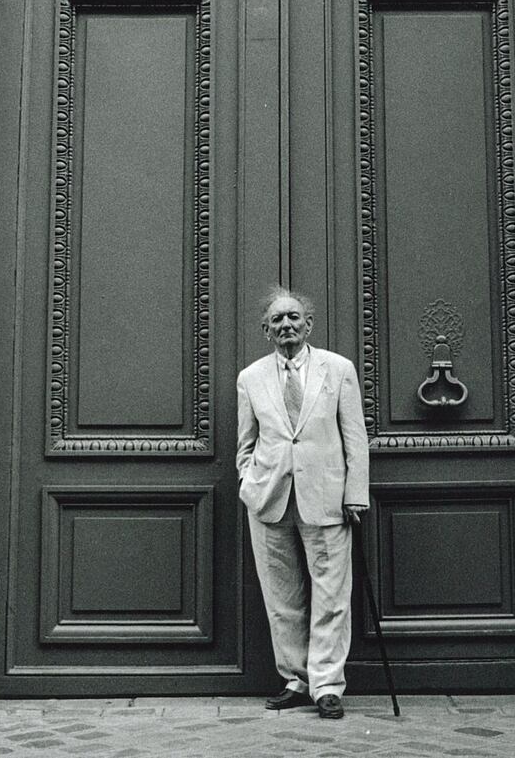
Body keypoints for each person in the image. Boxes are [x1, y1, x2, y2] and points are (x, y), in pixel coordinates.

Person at [236, 286, 370, 720]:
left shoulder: (338, 369)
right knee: (282, 597)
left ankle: (327, 685)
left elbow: (356, 439)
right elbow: (245, 444)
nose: (286, 325)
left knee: (331, 595)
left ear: (308, 325)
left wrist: (356, 493)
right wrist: (250, 483)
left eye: (294, 317)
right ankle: (296, 680)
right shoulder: (251, 377)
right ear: (265, 330)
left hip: (326, 500)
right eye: (277, 320)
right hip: (270, 502)